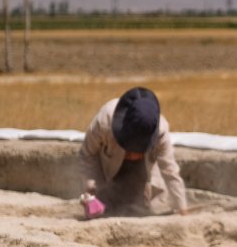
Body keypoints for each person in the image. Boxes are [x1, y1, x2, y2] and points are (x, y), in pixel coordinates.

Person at [79, 87, 188, 217]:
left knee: (142, 210)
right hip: (108, 172)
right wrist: (92, 189)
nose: (132, 154)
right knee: (104, 208)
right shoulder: (104, 121)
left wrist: (182, 208)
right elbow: (87, 155)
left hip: (142, 175)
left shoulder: (161, 131)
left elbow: (169, 170)